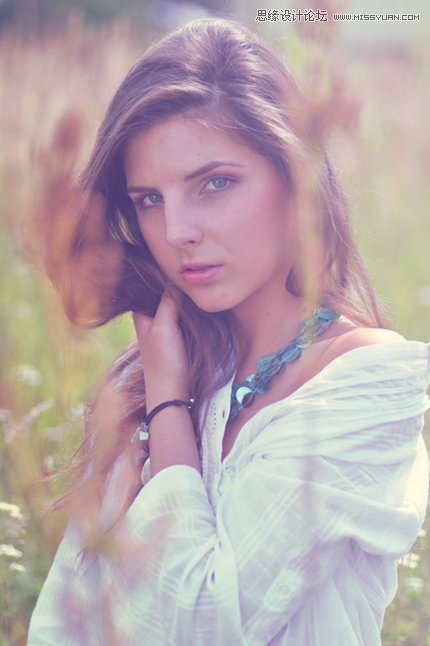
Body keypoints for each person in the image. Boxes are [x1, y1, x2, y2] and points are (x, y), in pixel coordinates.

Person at [28, 17, 429, 646]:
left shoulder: (367, 386)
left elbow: (206, 624)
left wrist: (167, 404)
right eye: (149, 199)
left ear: (295, 179)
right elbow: (65, 617)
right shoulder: (146, 374)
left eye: (214, 184)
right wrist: (159, 387)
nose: (177, 232)